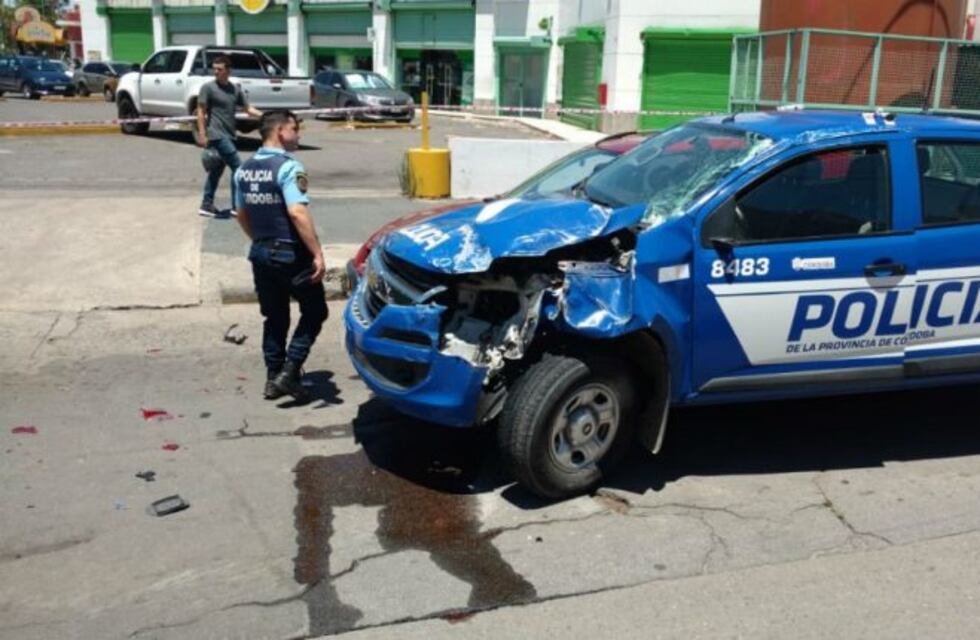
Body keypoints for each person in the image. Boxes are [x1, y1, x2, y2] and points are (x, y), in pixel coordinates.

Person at [233, 110, 328, 401]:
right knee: (315, 311)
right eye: (295, 129)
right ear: (280, 132)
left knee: (274, 317)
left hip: (260, 252)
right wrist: (317, 254)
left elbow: (241, 213)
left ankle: (273, 380)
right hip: (290, 252)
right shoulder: (289, 167)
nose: (298, 135)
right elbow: (297, 211)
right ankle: (289, 372)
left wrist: (260, 242)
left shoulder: (243, 169)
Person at [197, 54, 263, 218]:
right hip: (216, 134)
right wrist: (203, 134)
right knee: (238, 168)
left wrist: (265, 117)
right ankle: (236, 206)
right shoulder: (208, 88)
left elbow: (248, 109)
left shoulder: (235, 89)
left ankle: (206, 204)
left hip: (230, 134)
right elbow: (200, 112)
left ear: (228, 71)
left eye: (219, 69)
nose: (216, 72)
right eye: (215, 69)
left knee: (216, 171)